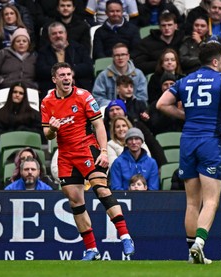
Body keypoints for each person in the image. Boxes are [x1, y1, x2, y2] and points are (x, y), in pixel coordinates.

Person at [156, 41, 221, 264]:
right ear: (215, 61)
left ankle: (191, 253)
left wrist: (188, 116)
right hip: (209, 141)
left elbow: (161, 104)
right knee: (211, 200)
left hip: (187, 141)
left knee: (192, 202)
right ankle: (200, 244)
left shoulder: (185, 80)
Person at [41, 62, 134, 260]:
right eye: (62, 75)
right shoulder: (47, 101)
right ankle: (92, 249)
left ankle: (125, 236)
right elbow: (46, 135)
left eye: (69, 74)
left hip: (87, 149)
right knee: (75, 201)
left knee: (101, 188)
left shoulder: (84, 96)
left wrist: (104, 151)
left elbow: (99, 125)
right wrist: (53, 130)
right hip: (66, 155)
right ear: (54, 79)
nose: (66, 78)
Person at [36, 22, 93, 97]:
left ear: (66, 34)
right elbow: (41, 70)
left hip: (78, 86)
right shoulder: (43, 51)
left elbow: (88, 67)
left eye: (60, 32)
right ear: (49, 37)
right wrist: (60, 75)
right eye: (54, 33)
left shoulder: (78, 48)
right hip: (52, 89)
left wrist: (72, 72)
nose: (58, 35)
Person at [92, 42, 148, 107]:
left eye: (123, 54)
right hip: (111, 110)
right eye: (117, 55)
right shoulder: (103, 76)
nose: (120, 58)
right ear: (113, 57)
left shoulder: (138, 74)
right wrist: (115, 105)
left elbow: (142, 98)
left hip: (133, 110)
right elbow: (97, 98)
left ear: (128, 56)